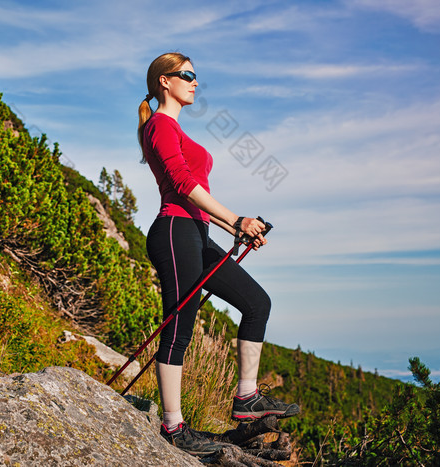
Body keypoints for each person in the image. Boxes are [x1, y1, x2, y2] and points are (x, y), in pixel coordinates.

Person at [138, 52, 300, 457]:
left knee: (256, 303)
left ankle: (246, 399)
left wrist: (235, 229)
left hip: (197, 231)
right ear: (164, 82)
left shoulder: (175, 129)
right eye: (187, 75)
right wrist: (238, 218)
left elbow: (196, 196)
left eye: (195, 77)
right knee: (180, 325)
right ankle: (173, 428)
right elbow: (180, 182)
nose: (195, 83)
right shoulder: (159, 124)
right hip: (174, 231)